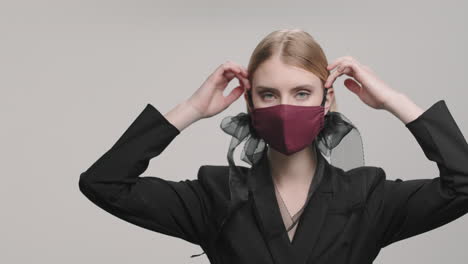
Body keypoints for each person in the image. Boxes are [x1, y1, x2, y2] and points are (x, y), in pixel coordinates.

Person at [78, 29, 468, 264]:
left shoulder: (368, 195)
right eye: (268, 94)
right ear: (249, 103)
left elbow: (463, 184)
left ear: (326, 100)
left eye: (301, 93)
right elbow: (104, 184)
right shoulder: (214, 194)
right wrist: (192, 108)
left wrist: (394, 100)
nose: (284, 108)